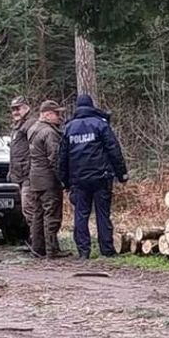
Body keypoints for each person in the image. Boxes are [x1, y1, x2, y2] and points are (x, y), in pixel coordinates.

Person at [59, 94, 128, 259]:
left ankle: (83, 251)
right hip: (101, 177)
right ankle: (107, 250)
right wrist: (122, 174)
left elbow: (62, 157)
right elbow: (114, 150)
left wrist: (65, 181)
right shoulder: (100, 124)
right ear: (92, 106)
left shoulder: (69, 128)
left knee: (80, 215)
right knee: (102, 214)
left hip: (78, 180)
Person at [26, 100, 67, 258]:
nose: (59, 117)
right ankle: (52, 250)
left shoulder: (33, 129)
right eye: (57, 114)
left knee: (38, 214)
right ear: (47, 114)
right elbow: (54, 158)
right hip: (48, 179)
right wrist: (62, 179)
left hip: (35, 178)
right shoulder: (49, 133)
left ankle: (38, 248)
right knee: (52, 214)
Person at [7, 95, 34, 246]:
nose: (16, 112)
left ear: (26, 107)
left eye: (18, 108)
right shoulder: (17, 126)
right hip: (18, 175)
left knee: (29, 208)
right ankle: (30, 240)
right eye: (13, 109)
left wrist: (30, 168)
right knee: (23, 210)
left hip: (28, 174)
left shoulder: (30, 124)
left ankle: (37, 242)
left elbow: (35, 148)